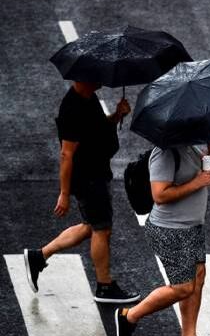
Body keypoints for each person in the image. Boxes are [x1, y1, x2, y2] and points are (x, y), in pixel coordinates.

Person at [23, 81, 140, 303]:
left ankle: (38, 256)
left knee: (90, 227)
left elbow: (98, 128)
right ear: (84, 78)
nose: (101, 79)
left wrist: (117, 115)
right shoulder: (72, 108)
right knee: (102, 229)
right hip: (88, 179)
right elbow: (66, 154)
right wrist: (64, 193)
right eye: (96, 76)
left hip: (96, 173)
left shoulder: (89, 98)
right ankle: (104, 286)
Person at [115, 141, 210, 336]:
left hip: (191, 226)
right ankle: (128, 316)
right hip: (171, 230)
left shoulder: (188, 147)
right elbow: (160, 195)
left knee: (198, 276)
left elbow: (204, 172)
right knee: (183, 287)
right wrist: (197, 182)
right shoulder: (164, 153)